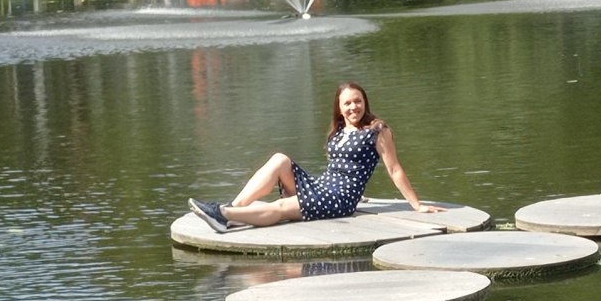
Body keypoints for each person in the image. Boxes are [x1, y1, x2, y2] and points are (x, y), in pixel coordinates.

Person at [189, 83, 443, 231]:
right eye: (347, 103)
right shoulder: (341, 130)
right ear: (339, 108)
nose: (353, 107)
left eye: (358, 101)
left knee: (279, 207)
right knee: (279, 159)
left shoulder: (377, 130)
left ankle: (223, 214)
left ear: (365, 102)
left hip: (339, 200)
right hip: (322, 187)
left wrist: (416, 205)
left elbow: (395, 169)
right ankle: (235, 210)